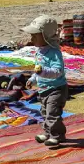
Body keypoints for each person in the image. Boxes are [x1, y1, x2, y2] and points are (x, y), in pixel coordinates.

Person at [22, 15, 67, 146]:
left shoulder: (54, 53)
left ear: (46, 36)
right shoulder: (39, 52)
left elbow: (57, 72)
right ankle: (48, 133)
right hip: (44, 89)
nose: (31, 38)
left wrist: (42, 71)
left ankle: (57, 136)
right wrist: (33, 80)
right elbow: (37, 72)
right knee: (45, 113)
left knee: (52, 113)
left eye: (35, 35)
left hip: (56, 89)